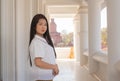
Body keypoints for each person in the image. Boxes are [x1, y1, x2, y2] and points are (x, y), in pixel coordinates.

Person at [29, 14, 59, 81]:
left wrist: (54, 67)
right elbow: (38, 62)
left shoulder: (43, 41)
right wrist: (54, 66)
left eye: (45, 25)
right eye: (40, 24)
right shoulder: (36, 42)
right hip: (42, 79)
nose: (43, 27)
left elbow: (47, 58)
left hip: (46, 78)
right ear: (34, 26)